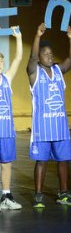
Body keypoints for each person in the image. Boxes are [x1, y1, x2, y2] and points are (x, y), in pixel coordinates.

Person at [27, 22, 71, 207]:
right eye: (45, 54)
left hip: (59, 127)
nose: (49, 57)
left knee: (63, 160)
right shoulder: (34, 72)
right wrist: (37, 36)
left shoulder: (59, 70)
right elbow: (32, 56)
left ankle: (63, 193)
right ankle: (39, 195)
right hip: (42, 128)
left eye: (51, 54)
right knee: (41, 161)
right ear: (39, 57)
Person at [0, 26, 23, 210]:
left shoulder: (7, 78)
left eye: (1, 62)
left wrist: (19, 37)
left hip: (6, 130)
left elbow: (19, 58)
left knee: (6, 164)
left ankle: (6, 196)